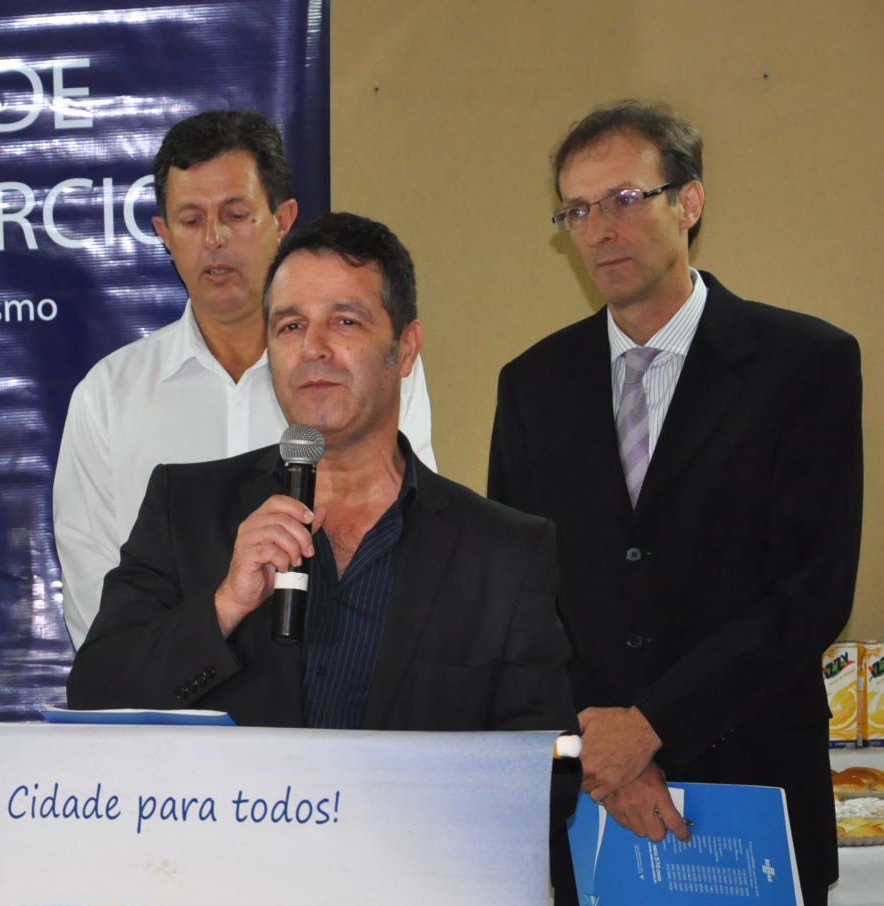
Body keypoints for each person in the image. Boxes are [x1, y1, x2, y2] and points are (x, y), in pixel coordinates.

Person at [488, 103, 874, 906]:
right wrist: (606, 744)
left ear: (690, 201)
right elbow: (529, 599)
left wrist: (654, 725)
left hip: (747, 806)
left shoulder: (808, 364)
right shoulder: (532, 386)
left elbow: (806, 594)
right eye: (575, 208)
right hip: (602, 812)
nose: (600, 228)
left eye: (624, 198)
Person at [67, 211, 571, 736]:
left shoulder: (502, 553)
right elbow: (94, 694)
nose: (313, 348)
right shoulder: (184, 508)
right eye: (290, 326)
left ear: (406, 349)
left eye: (345, 321)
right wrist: (224, 607)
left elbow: (542, 781)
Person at [51, 109, 436, 647]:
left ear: (283, 218)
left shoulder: (360, 374)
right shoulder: (108, 396)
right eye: (190, 220)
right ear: (163, 234)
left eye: (235, 214)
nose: (214, 240)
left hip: (336, 698)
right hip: (175, 710)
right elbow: (97, 604)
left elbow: (409, 536)